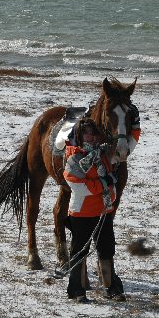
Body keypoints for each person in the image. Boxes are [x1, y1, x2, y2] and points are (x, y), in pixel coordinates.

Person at [63, 118, 125, 303]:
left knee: (107, 250)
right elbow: (78, 186)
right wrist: (103, 184)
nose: (90, 137)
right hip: (82, 214)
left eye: (93, 133)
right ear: (79, 137)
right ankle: (77, 290)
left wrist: (110, 193)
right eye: (86, 133)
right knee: (79, 252)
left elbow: (112, 178)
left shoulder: (104, 156)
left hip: (103, 212)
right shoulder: (74, 159)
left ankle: (111, 287)